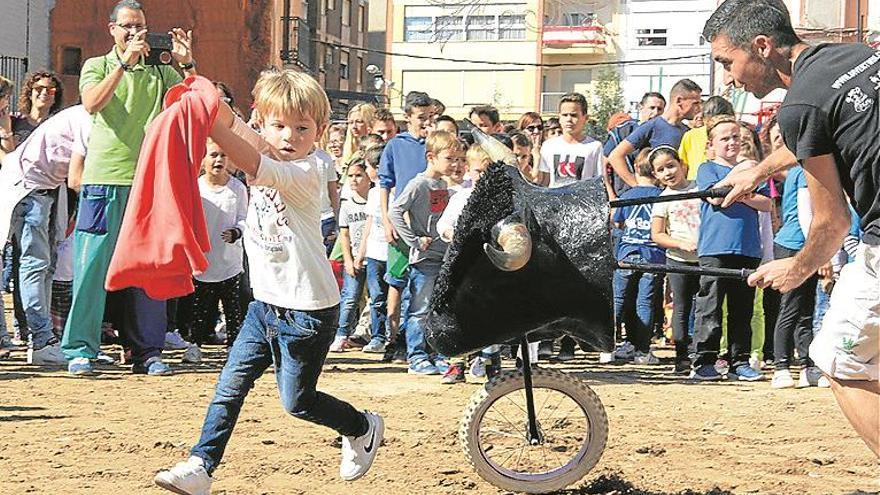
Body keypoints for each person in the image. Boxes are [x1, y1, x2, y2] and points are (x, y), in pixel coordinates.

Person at [154, 69, 384, 494]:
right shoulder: (274, 151)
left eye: (301, 127)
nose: (289, 136)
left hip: (307, 312)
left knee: (298, 402)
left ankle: (360, 426)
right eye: (278, 126)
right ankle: (201, 466)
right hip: (264, 307)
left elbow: (242, 148)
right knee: (228, 387)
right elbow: (238, 127)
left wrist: (206, 117)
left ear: (320, 131)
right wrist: (196, 82)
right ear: (264, 123)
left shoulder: (307, 171)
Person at [704, 0, 879, 455]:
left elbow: (832, 223)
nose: (728, 79)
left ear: (761, 47)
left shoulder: (799, 105)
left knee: (839, 361)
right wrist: (758, 170)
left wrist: (795, 269)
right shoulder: (857, 57)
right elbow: (825, 126)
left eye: (727, 62)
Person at [60, 0, 196, 376]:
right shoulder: (97, 65)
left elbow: (191, 101)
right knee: (90, 268)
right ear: (112, 30)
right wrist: (123, 63)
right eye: (127, 27)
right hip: (104, 180)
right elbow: (91, 103)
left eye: (140, 27)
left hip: (149, 183)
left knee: (148, 271)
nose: (135, 33)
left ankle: (147, 351)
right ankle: (80, 349)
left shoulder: (159, 70)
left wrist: (185, 63)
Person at [0, 103, 92, 366]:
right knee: (35, 265)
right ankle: (41, 341)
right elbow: (77, 180)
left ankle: (44, 339)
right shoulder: (88, 120)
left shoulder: (87, 117)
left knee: (47, 266)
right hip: (28, 188)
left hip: (48, 187)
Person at [691, 115, 771, 381]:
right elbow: (714, 197)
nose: (732, 142)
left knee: (742, 308)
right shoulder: (707, 168)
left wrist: (738, 193)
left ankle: (739, 360)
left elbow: (766, 203)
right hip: (715, 247)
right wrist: (744, 174)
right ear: (711, 144)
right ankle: (705, 360)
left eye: (736, 137)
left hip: (747, 247)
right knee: (710, 305)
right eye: (725, 138)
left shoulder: (753, 170)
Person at [389, 130, 462, 376]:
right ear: (431, 157)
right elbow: (395, 212)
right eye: (449, 158)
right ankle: (416, 356)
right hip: (426, 260)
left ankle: (437, 354)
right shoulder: (418, 184)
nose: (454, 164)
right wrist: (414, 241)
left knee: (439, 310)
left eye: (457, 159)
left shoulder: (444, 185)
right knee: (420, 309)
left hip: (445, 258)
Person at [378, 91, 432, 363]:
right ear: (408, 117)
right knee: (397, 283)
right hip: (402, 225)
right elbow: (385, 184)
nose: (426, 122)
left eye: (429, 116)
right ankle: (393, 339)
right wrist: (387, 220)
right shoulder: (395, 146)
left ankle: (424, 341)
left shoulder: (436, 144)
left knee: (423, 285)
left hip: (428, 226)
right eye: (421, 117)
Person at [183, 138, 248, 364]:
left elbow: (244, 218)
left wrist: (236, 232)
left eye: (223, 155)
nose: (219, 160)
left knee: (232, 308)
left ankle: (234, 345)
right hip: (203, 261)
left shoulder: (237, 189)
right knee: (200, 307)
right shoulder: (196, 187)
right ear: (202, 160)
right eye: (213, 155)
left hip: (230, 261)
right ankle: (194, 345)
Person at [768, 161, 823, 389]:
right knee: (790, 307)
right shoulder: (803, 171)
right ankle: (781, 367)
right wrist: (820, 252)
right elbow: (805, 214)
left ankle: (807, 366)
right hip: (793, 246)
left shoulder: (805, 169)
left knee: (806, 309)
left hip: (805, 247)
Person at [650, 146, 701, 373]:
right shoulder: (663, 200)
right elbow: (657, 234)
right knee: (681, 307)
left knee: (704, 307)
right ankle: (681, 356)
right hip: (678, 260)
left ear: (681, 164)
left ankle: (701, 353)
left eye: (670, 166)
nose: (668, 172)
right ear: (655, 176)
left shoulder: (699, 188)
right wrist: (681, 244)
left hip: (704, 259)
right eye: (661, 170)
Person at [611, 149, 665, 365]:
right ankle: (642, 350)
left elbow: (617, 221)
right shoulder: (663, 195)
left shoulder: (628, 195)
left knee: (618, 299)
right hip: (653, 255)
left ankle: (606, 346)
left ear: (635, 169)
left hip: (627, 252)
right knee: (645, 302)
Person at [609, 79, 703, 187]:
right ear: (679, 101)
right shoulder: (652, 126)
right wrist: (637, 187)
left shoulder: (687, 132)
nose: (699, 108)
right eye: (695, 103)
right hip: (655, 198)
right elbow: (615, 156)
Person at [330, 159, 373, 352]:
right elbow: (344, 234)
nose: (354, 180)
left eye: (358, 175)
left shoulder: (375, 200)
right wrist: (348, 259)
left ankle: (369, 333)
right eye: (351, 176)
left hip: (374, 257)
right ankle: (341, 334)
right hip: (354, 258)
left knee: (375, 298)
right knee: (350, 296)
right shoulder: (346, 205)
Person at [356, 145, 390, 354]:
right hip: (375, 253)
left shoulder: (393, 189)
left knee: (394, 298)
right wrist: (361, 253)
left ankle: (392, 336)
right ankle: (377, 336)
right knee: (376, 298)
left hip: (393, 252)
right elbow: (369, 224)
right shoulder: (373, 193)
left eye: (368, 167)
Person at [603, 92, 667, 199]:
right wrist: (611, 196)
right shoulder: (623, 131)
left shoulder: (663, 134)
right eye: (652, 108)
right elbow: (603, 164)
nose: (655, 113)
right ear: (641, 107)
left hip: (656, 195)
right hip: (624, 195)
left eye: (659, 109)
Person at [536, 92, 604, 189]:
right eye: (565, 115)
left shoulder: (594, 146)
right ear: (559, 117)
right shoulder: (548, 146)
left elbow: (599, 182)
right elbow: (545, 181)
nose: (569, 119)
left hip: (581, 202)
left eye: (574, 115)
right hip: (554, 201)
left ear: (585, 118)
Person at [678, 96, 735, 180]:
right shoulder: (690, 135)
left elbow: (683, 167)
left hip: (699, 185)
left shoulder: (690, 135)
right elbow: (683, 165)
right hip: (722, 182)